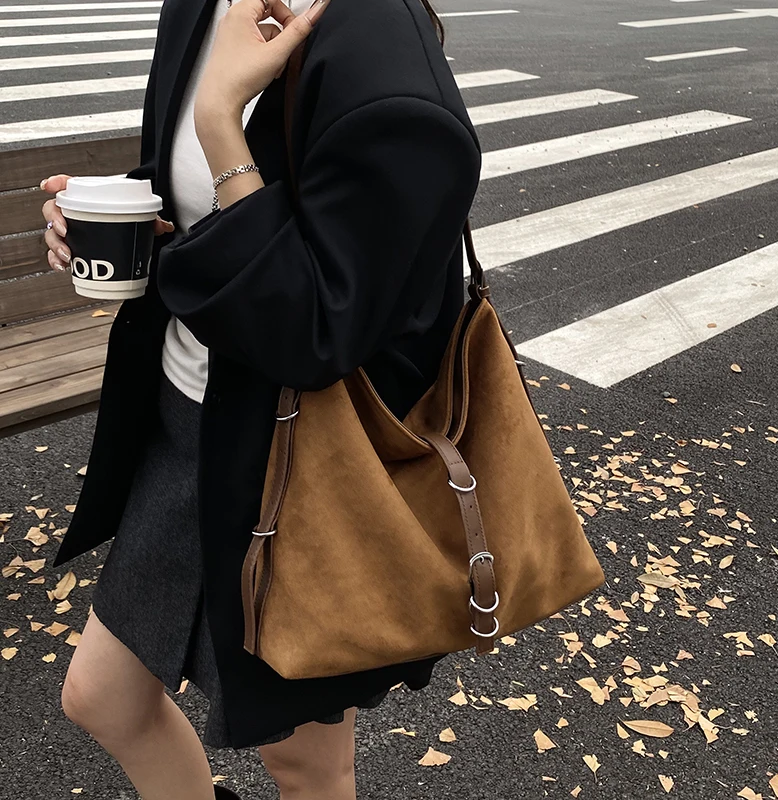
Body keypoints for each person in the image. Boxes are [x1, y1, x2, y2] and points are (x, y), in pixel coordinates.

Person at [40, 0, 481, 795]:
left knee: (304, 764)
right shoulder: (200, 6)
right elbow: (191, 195)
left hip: (304, 457)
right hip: (185, 421)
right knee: (103, 698)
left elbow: (313, 332)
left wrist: (219, 120)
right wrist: (115, 216)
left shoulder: (385, 56)